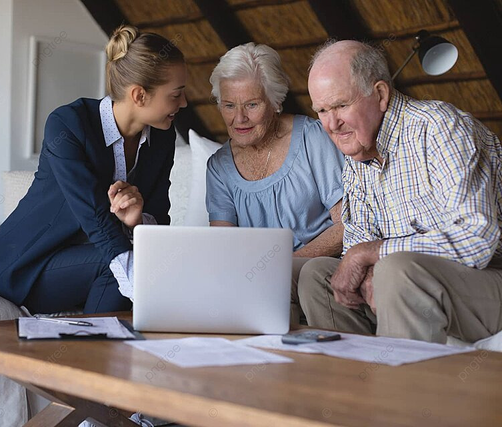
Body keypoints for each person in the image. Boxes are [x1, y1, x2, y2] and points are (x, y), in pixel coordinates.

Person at [300, 39, 502, 343]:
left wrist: (375, 255)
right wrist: (368, 267)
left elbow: (478, 239)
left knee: (397, 270)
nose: (332, 124)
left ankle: (401, 386)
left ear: (380, 94)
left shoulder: (439, 129)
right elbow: (357, 244)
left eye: (341, 105)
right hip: (416, 283)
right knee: (317, 275)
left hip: (488, 279)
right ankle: (354, 382)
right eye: (322, 110)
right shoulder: (357, 154)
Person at [0, 25, 187, 314]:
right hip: (27, 264)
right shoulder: (68, 124)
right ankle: (94, 349)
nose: (185, 103)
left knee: (150, 263)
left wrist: (136, 221)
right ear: (140, 95)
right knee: (121, 266)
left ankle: (115, 346)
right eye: (176, 94)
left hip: (87, 262)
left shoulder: (163, 135)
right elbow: (95, 217)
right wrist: (145, 284)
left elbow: (158, 215)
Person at [205, 42, 345, 323]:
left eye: (252, 105)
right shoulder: (219, 167)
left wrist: (284, 266)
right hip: (260, 280)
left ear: (275, 101)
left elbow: (347, 224)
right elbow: (225, 246)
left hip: (317, 272)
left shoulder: (312, 138)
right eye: (229, 105)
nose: (239, 118)